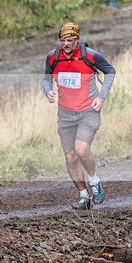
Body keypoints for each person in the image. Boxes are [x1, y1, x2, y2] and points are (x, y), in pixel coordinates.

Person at [42, 22, 115, 210]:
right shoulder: (53, 57)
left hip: (88, 111)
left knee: (81, 149)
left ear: (77, 40)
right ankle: (83, 196)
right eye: (63, 40)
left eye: (70, 40)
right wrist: (47, 90)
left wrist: (101, 96)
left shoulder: (89, 55)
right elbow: (45, 78)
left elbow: (110, 71)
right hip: (65, 114)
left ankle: (94, 181)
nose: (66, 44)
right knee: (70, 157)